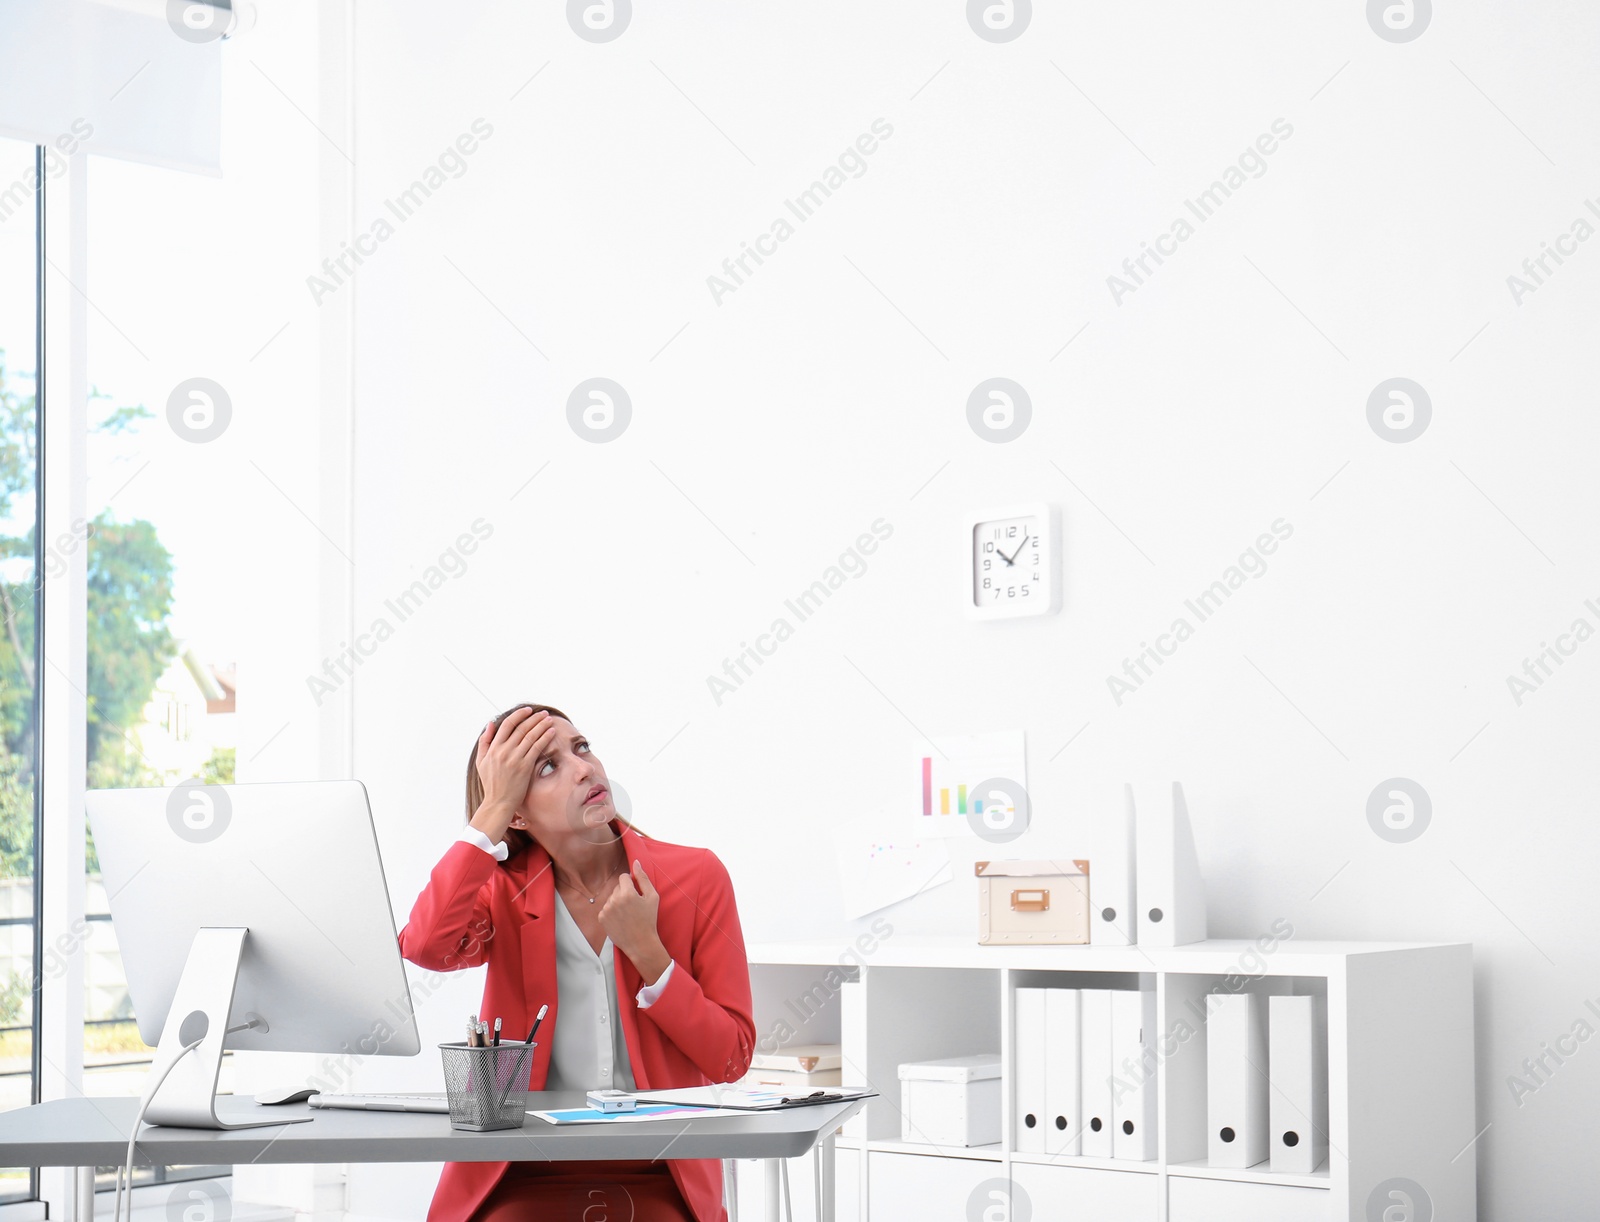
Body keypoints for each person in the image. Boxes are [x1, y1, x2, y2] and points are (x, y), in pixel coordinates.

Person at [399, 704, 756, 1222]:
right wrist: (491, 812)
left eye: (581, 747)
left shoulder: (696, 875)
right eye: (546, 767)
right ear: (516, 813)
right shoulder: (500, 891)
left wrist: (650, 956)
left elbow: (731, 1058)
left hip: (658, 1170)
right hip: (522, 1167)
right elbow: (426, 946)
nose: (583, 768)